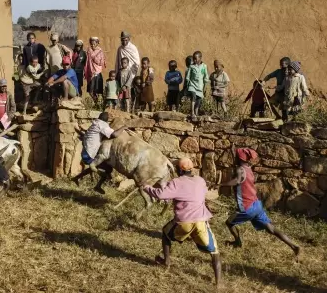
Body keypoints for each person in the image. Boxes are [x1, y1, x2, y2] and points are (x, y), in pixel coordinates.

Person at [143, 157, 221, 287]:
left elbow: (161, 195)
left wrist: (146, 187)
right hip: (201, 222)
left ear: (179, 170)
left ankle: (166, 261)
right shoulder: (201, 181)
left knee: (166, 232)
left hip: (183, 222)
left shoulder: (176, 182)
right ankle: (219, 283)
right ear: (191, 169)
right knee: (215, 252)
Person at [219, 148, 301, 259]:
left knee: (229, 223)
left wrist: (220, 184)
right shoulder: (248, 169)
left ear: (238, 158)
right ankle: (294, 246)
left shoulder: (240, 170)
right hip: (256, 204)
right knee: (271, 228)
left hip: (247, 207)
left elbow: (237, 180)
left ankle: (237, 242)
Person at [71, 112, 127, 194]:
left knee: (101, 166)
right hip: (89, 155)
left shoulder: (95, 124)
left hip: (86, 154)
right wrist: (124, 127)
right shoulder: (102, 125)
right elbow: (114, 134)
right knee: (107, 170)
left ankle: (77, 178)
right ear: (106, 119)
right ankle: (97, 186)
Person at [186, 51, 209, 120]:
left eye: (196, 58)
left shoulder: (204, 66)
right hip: (192, 85)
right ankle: (192, 112)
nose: (195, 60)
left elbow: (205, 76)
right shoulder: (191, 66)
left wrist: (205, 86)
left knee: (198, 99)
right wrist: (187, 84)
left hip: (200, 86)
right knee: (193, 96)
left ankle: (196, 112)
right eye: (194, 59)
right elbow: (188, 76)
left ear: (200, 58)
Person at [84, 37, 106, 103]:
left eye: (94, 44)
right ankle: (97, 103)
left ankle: (98, 104)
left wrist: (92, 55)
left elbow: (100, 62)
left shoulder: (100, 51)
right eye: (91, 44)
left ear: (97, 44)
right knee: (91, 91)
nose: (93, 45)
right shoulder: (89, 50)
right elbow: (87, 62)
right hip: (90, 73)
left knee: (96, 90)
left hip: (97, 72)